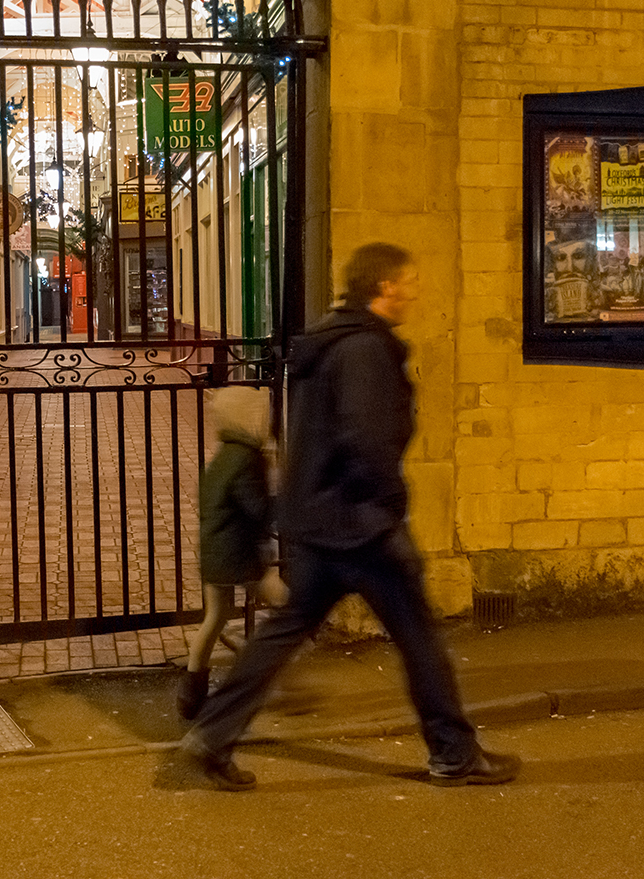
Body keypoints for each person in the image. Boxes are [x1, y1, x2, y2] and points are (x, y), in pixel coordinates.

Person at [180, 242, 521, 791]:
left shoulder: (327, 339)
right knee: (419, 639)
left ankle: (212, 733)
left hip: (316, 516)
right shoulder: (365, 348)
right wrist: (388, 506)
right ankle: (454, 753)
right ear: (384, 286)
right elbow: (367, 438)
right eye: (409, 280)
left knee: (283, 632)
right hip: (361, 523)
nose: (415, 290)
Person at [178, 385, 289, 721]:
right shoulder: (246, 458)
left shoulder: (224, 455)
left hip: (215, 551)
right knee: (288, 610)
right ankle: (272, 680)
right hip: (240, 556)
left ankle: (190, 692)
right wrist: (284, 500)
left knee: (214, 618)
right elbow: (259, 510)